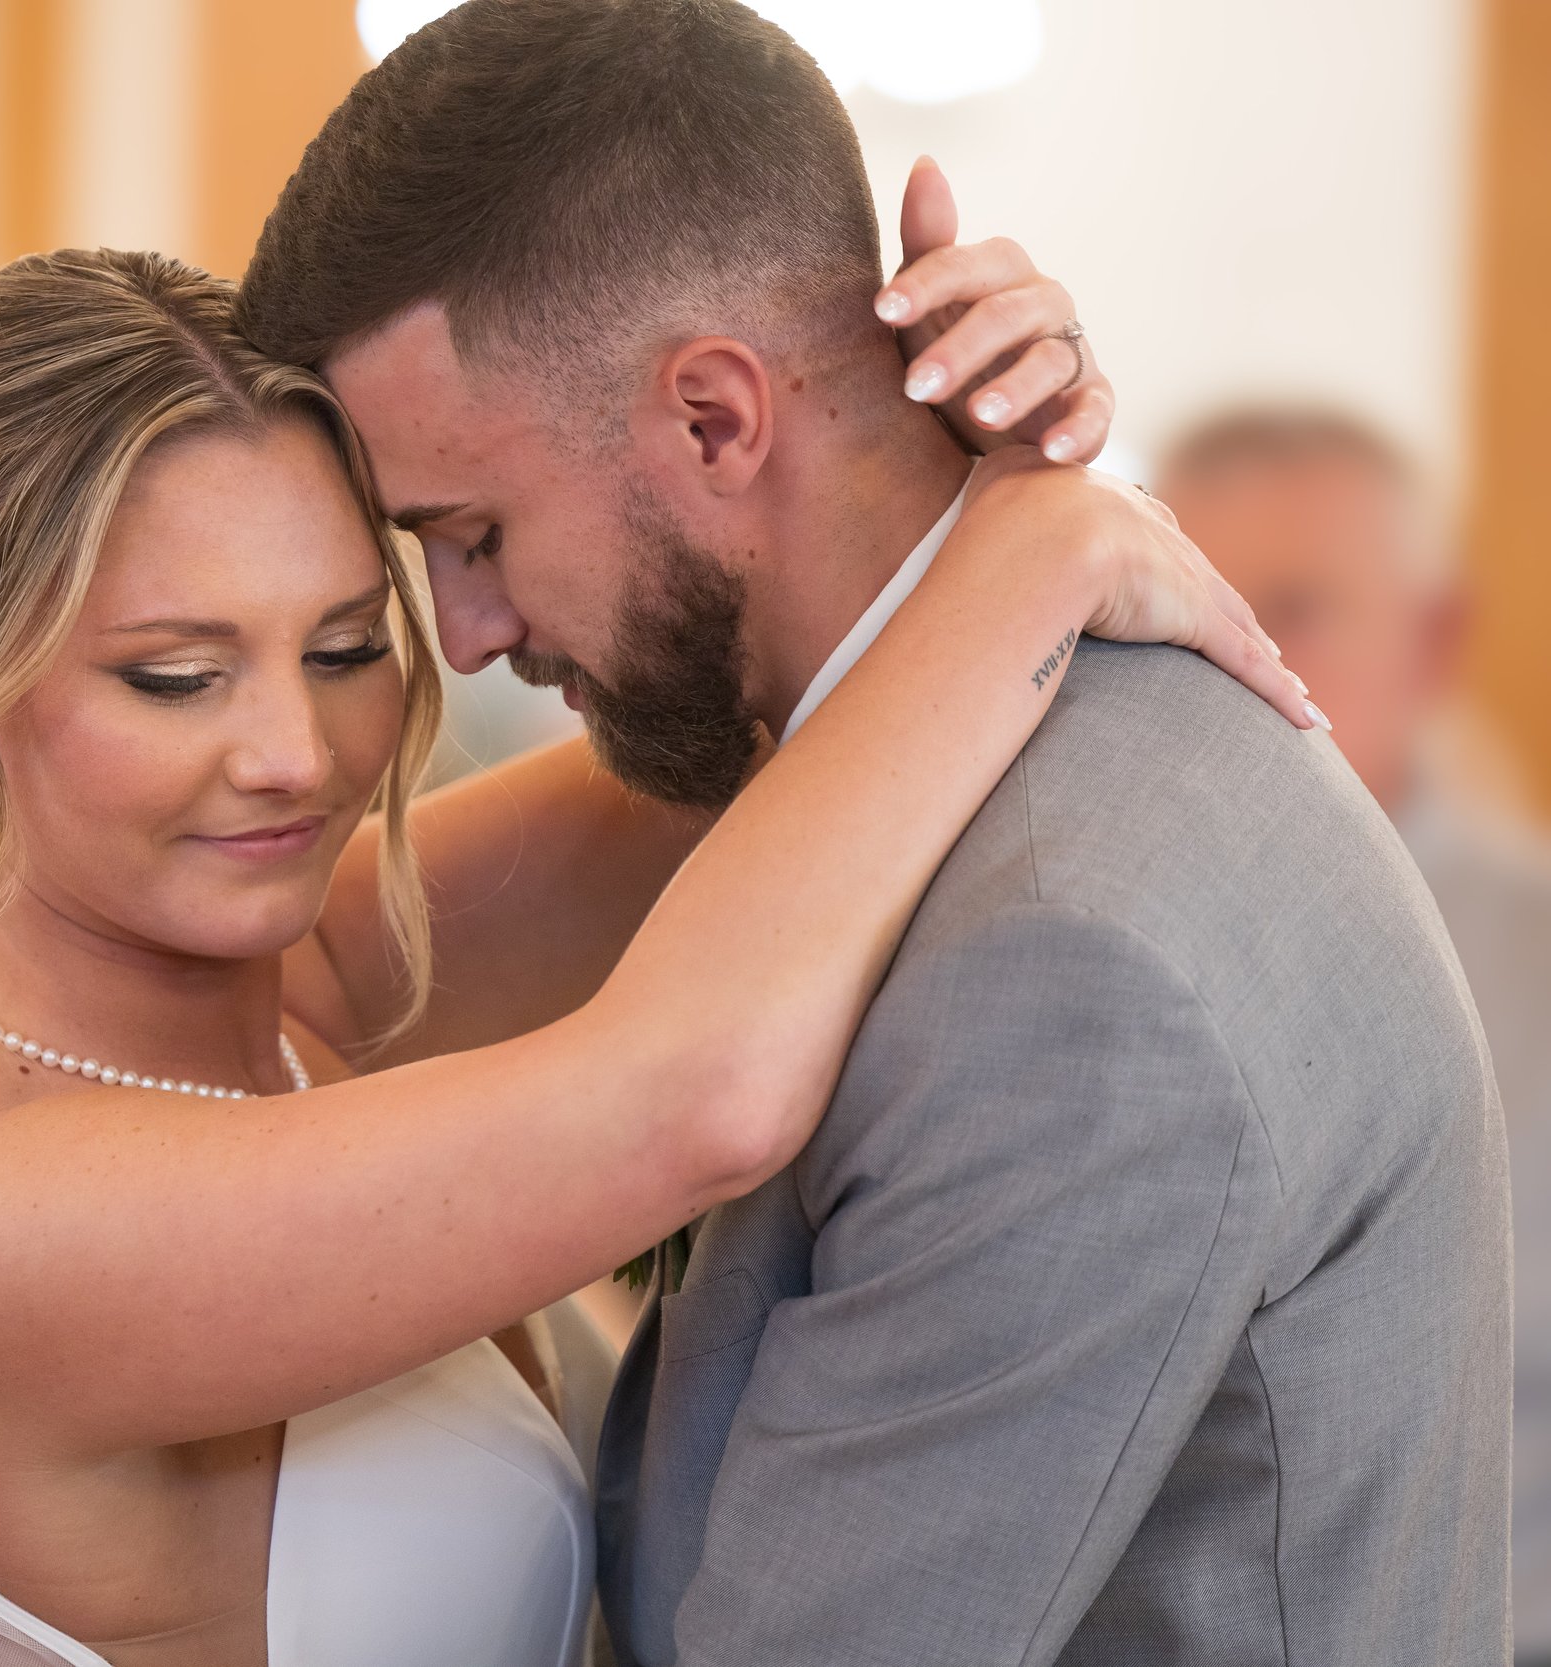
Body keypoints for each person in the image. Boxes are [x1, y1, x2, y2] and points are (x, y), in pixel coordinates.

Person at [0, 162, 1324, 1667]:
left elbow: (798, 703)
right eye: (177, 675)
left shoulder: (302, 1000)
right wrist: (1047, 546)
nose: (296, 754)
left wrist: (932, 447)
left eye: (343, 648)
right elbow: (695, 1097)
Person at [232, 3, 1507, 1663]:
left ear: (714, 419)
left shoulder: (1071, 976)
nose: (462, 635)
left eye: (471, 534)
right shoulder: (899, 755)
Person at [1156, 405, 1551, 1667]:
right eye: (1180, 612)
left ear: (1433, 643)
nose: (1226, 660)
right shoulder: (1077, 941)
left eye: (1290, 610)